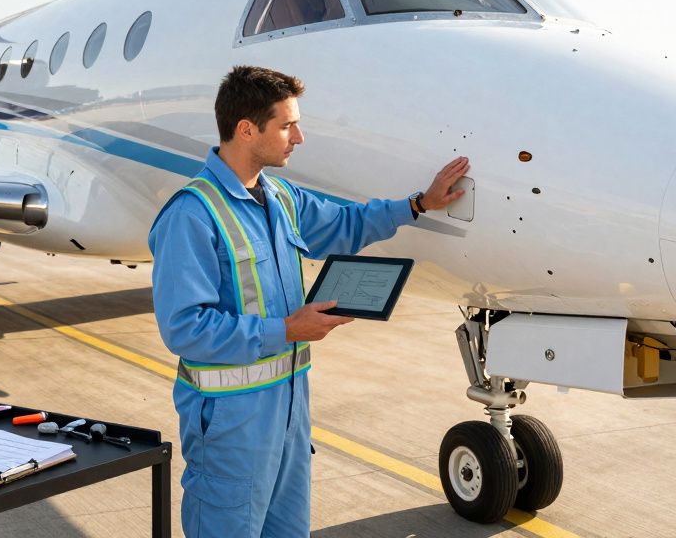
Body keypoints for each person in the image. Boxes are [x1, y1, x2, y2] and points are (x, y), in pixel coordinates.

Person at [148, 65, 470, 537]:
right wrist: (286, 330)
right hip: (230, 428)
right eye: (286, 125)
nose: (298, 137)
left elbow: (346, 224)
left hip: (289, 421)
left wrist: (417, 204)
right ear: (246, 129)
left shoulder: (279, 198)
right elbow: (185, 328)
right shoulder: (192, 214)